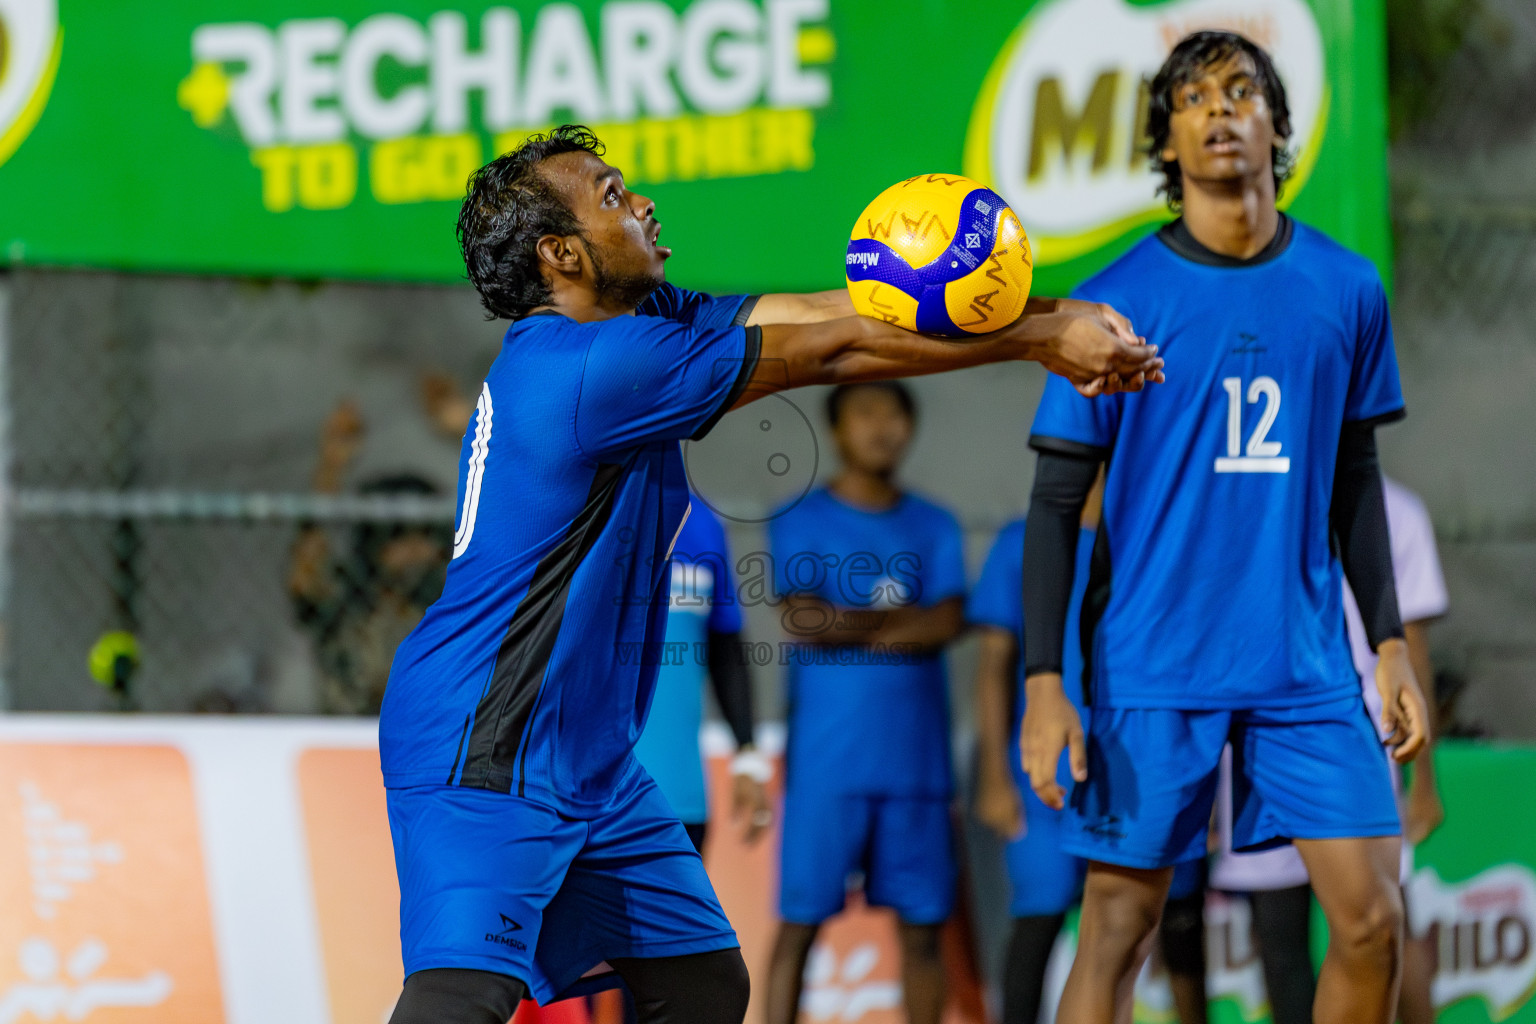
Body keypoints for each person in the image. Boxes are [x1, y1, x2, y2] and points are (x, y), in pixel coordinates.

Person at [378, 123, 1162, 1024]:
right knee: (461, 996)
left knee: (704, 982)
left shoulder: (646, 322)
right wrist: (1040, 334)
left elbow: (805, 317)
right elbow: (830, 355)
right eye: (610, 195)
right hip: (486, 741)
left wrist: (1015, 309)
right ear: (563, 255)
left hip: (586, 755)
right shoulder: (591, 366)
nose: (641, 202)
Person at [1018, 33, 1429, 1024]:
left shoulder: (1346, 286)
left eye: (1240, 91)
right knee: (1119, 925)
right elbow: (1053, 505)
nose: (1217, 111)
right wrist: (1044, 683)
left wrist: (1390, 642)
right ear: (1168, 137)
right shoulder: (1115, 299)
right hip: (1155, 659)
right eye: (1192, 97)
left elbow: (1355, 479)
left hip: (1304, 664)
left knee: (1373, 921)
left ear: (1275, 125)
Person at [1208, 475, 1451, 1024]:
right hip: (1265, 730)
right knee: (1289, 926)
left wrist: (1426, 780)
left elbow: (1409, 646)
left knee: (1378, 921)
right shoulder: (1243, 488)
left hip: (1356, 727)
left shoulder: (1393, 508)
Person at [764, 381, 965, 1024]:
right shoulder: (799, 517)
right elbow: (801, 619)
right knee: (799, 926)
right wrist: (901, 622)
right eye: (865, 413)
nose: (882, 427)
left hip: (916, 768)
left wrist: (848, 621)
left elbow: (949, 621)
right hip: (829, 767)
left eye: (894, 414)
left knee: (923, 931)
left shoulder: (935, 523)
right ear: (838, 430)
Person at [970, 480, 1099, 1024]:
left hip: (1137, 770)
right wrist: (994, 776)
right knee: (1037, 923)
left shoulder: (1151, 535)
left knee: (1128, 929)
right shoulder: (1020, 542)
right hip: (1042, 771)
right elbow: (993, 666)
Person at [289, 399, 450, 715]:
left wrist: (467, 432)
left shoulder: (447, 601)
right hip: (349, 739)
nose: (415, 551)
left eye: (424, 536)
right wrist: (331, 468)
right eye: (400, 537)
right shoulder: (350, 598)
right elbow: (305, 578)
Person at [631, 497, 772, 855]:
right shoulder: (569, 496)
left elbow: (726, 649)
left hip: (680, 801)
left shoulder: (703, 520)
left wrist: (748, 758)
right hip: (580, 806)